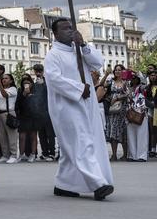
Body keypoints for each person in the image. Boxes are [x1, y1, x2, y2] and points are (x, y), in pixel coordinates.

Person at [46, 18, 114, 200]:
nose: (70, 31)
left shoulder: (80, 49)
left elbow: (98, 63)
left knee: (73, 147)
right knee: (81, 142)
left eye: (71, 28)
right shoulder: (53, 55)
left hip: (87, 104)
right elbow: (53, 79)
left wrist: (83, 44)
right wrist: (78, 88)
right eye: (65, 29)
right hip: (66, 106)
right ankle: (98, 184)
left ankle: (64, 184)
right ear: (55, 34)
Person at [103, 69, 130, 161]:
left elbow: (129, 94)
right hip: (113, 109)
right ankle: (114, 155)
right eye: (116, 70)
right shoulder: (111, 81)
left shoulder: (126, 82)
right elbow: (102, 86)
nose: (118, 72)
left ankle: (125, 155)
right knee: (113, 131)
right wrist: (106, 75)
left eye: (120, 70)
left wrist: (118, 97)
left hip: (123, 109)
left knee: (123, 131)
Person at [0, 73, 20, 164]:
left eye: (6, 78)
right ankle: (5, 155)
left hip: (8, 113)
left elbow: (5, 95)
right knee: (2, 136)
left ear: (11, 80)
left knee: (12, 135)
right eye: (3, 78)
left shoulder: (13, 89)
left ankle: (13, 155)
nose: (4, 80)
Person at [28, 64, 54, 160]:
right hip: (38, 112)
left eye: (40, 71)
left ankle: (52, 152)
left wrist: (43, 84)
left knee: (50, 134)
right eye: (36, 71)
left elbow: (49, 93)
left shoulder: (47, 81)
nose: (38, 73)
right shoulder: (33, 82)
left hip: (47, 111)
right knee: (41, 134)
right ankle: (45, 152)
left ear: (43, 71)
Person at [16, 76, 39, 162]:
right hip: (23, 116)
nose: (26, 84)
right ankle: (21, 154)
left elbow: (39, 103)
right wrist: (24, 95)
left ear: (31, 83)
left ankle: (33, 154)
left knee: (33, 135)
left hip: (33, 116)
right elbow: (18, 104)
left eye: (28, 83)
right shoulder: (20, 91)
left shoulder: (35, 91)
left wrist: (31, 96)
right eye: (24, 83)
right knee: (22, 136)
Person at [125, 75, 148, 162]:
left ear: (138, 79)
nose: (133, 79)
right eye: (132, 78)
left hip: (140, 113)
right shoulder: (128, 88)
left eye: (135, 78)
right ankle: (132, 155)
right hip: (130, 113)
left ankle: (141, 156)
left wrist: (137, 74)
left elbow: (145, 83)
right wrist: (127, 77)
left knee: (141, 134)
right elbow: (123, 90)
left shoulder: (141, 87)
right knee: (131, 134)